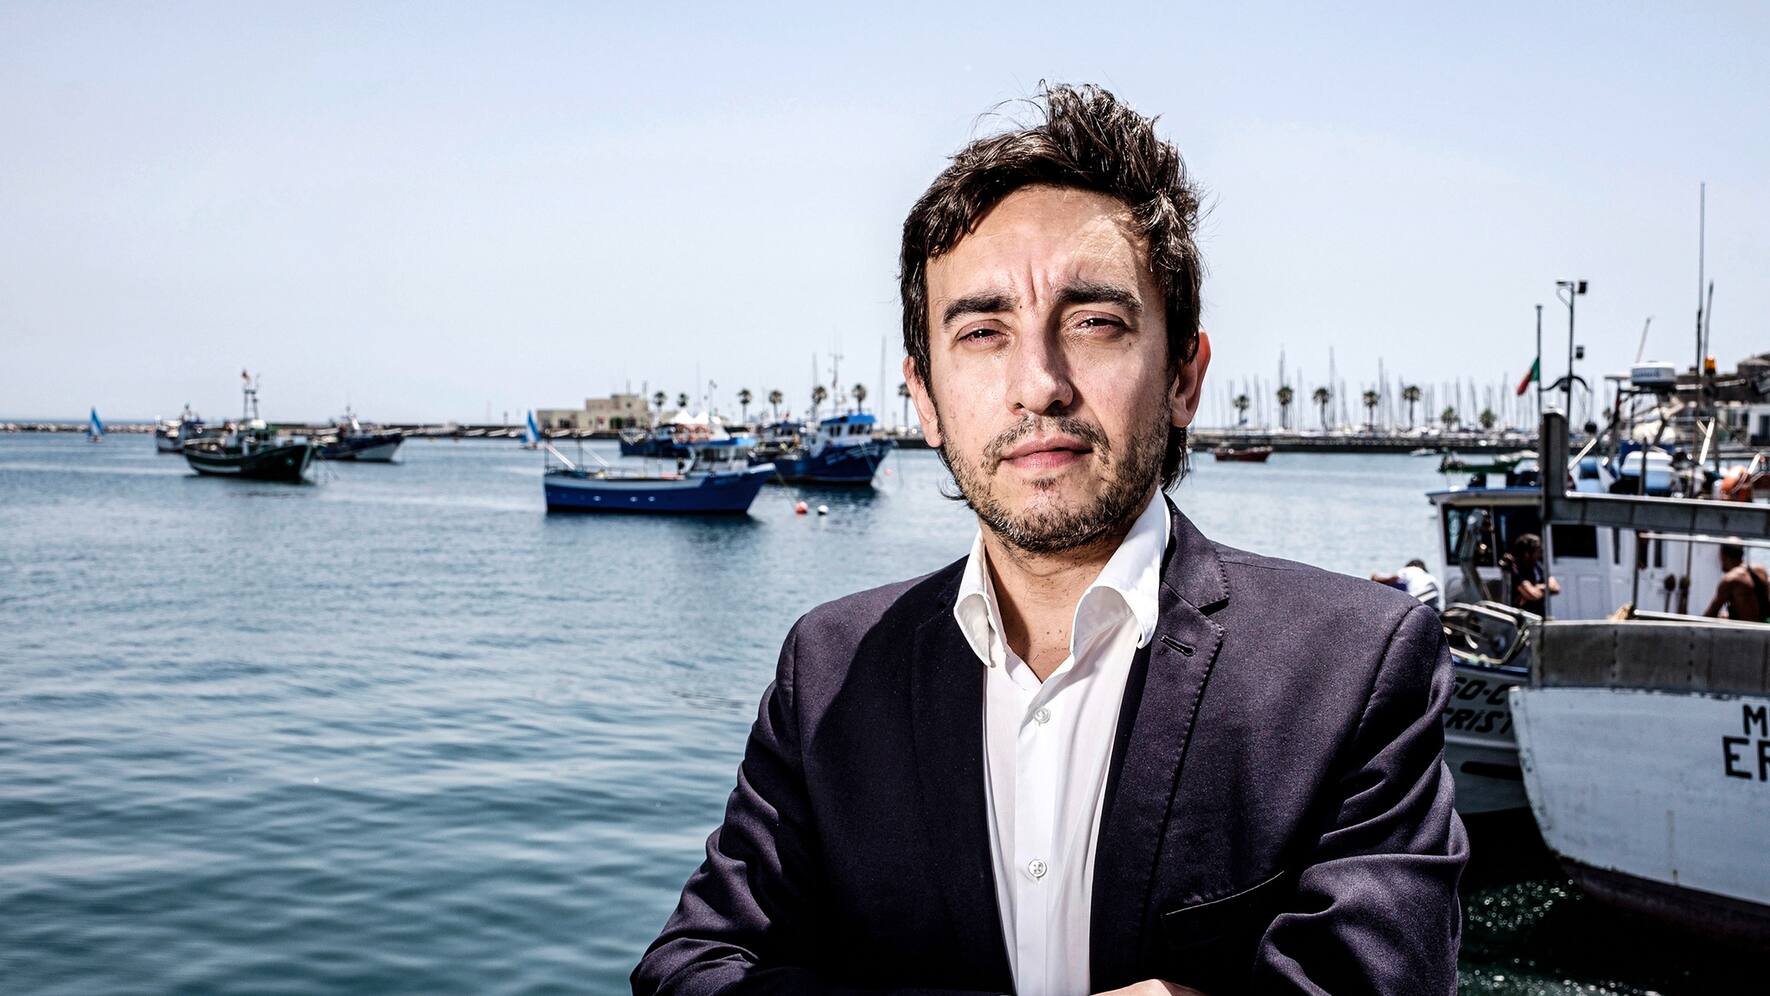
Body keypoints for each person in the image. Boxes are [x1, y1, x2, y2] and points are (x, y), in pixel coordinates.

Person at [634, 84, 1465, 996]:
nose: (1040, 384)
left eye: (1094, 323)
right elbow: (693, 970)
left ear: (1185, 375)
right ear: (924, 396)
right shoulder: (831, 669)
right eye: (984, 332)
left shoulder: (1352, 667)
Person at [1702, 543, 1770, 622]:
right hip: (1765, 627)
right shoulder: (1760, 570)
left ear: (1722, 556)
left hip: (1748, 631)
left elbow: (1710, 615)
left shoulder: (1730, 580)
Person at [1499, 533, 1557, 616]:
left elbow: (1555, 587)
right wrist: (1546, 589)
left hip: (1538, 616)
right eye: (1538, 552)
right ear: (1527, 554)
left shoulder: (1537, 566)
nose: (1540, 555)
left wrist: (1538, 587)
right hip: (1521, 619)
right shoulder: (1516, 568)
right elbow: (1533, 594)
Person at [1371, 558, 1444, 611]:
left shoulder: (1409, 569)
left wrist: (1375, 577)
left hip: (1419, 596)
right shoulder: (1430, 577)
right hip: (1432, 597)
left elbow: (1392, 579)